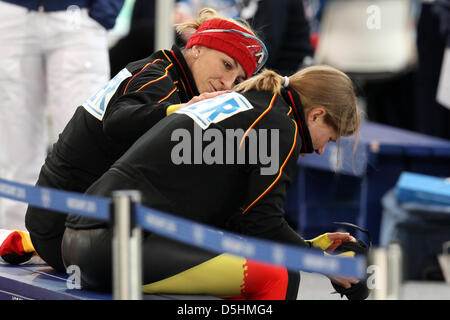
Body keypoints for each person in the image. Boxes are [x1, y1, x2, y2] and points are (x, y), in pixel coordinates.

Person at [62, 65, 368, 300]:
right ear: (316, 115)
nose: (320, 149)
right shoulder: (279, 125)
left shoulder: (249, 104)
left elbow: (241, 219)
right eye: (329, 138)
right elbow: (262, 222)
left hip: (81, 242)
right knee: (280, 274)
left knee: (247, 265)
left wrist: (309, 247)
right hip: (114, 247)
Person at [21, 8, 267, 273]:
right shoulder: (159, 77)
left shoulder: (171, 75)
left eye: (239, 79)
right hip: (66, 234)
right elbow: (116, 121)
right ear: (197, 48)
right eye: (227, 65)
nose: (228, 83)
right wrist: (178, 111)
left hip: (67, 225)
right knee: (252, 272)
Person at [0, 0, 124, 231]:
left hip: (79, 17)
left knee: (85, 136)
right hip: (10, 15)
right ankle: (15, 239)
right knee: (13, 140)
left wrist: (108, 7)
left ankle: (84, 237)